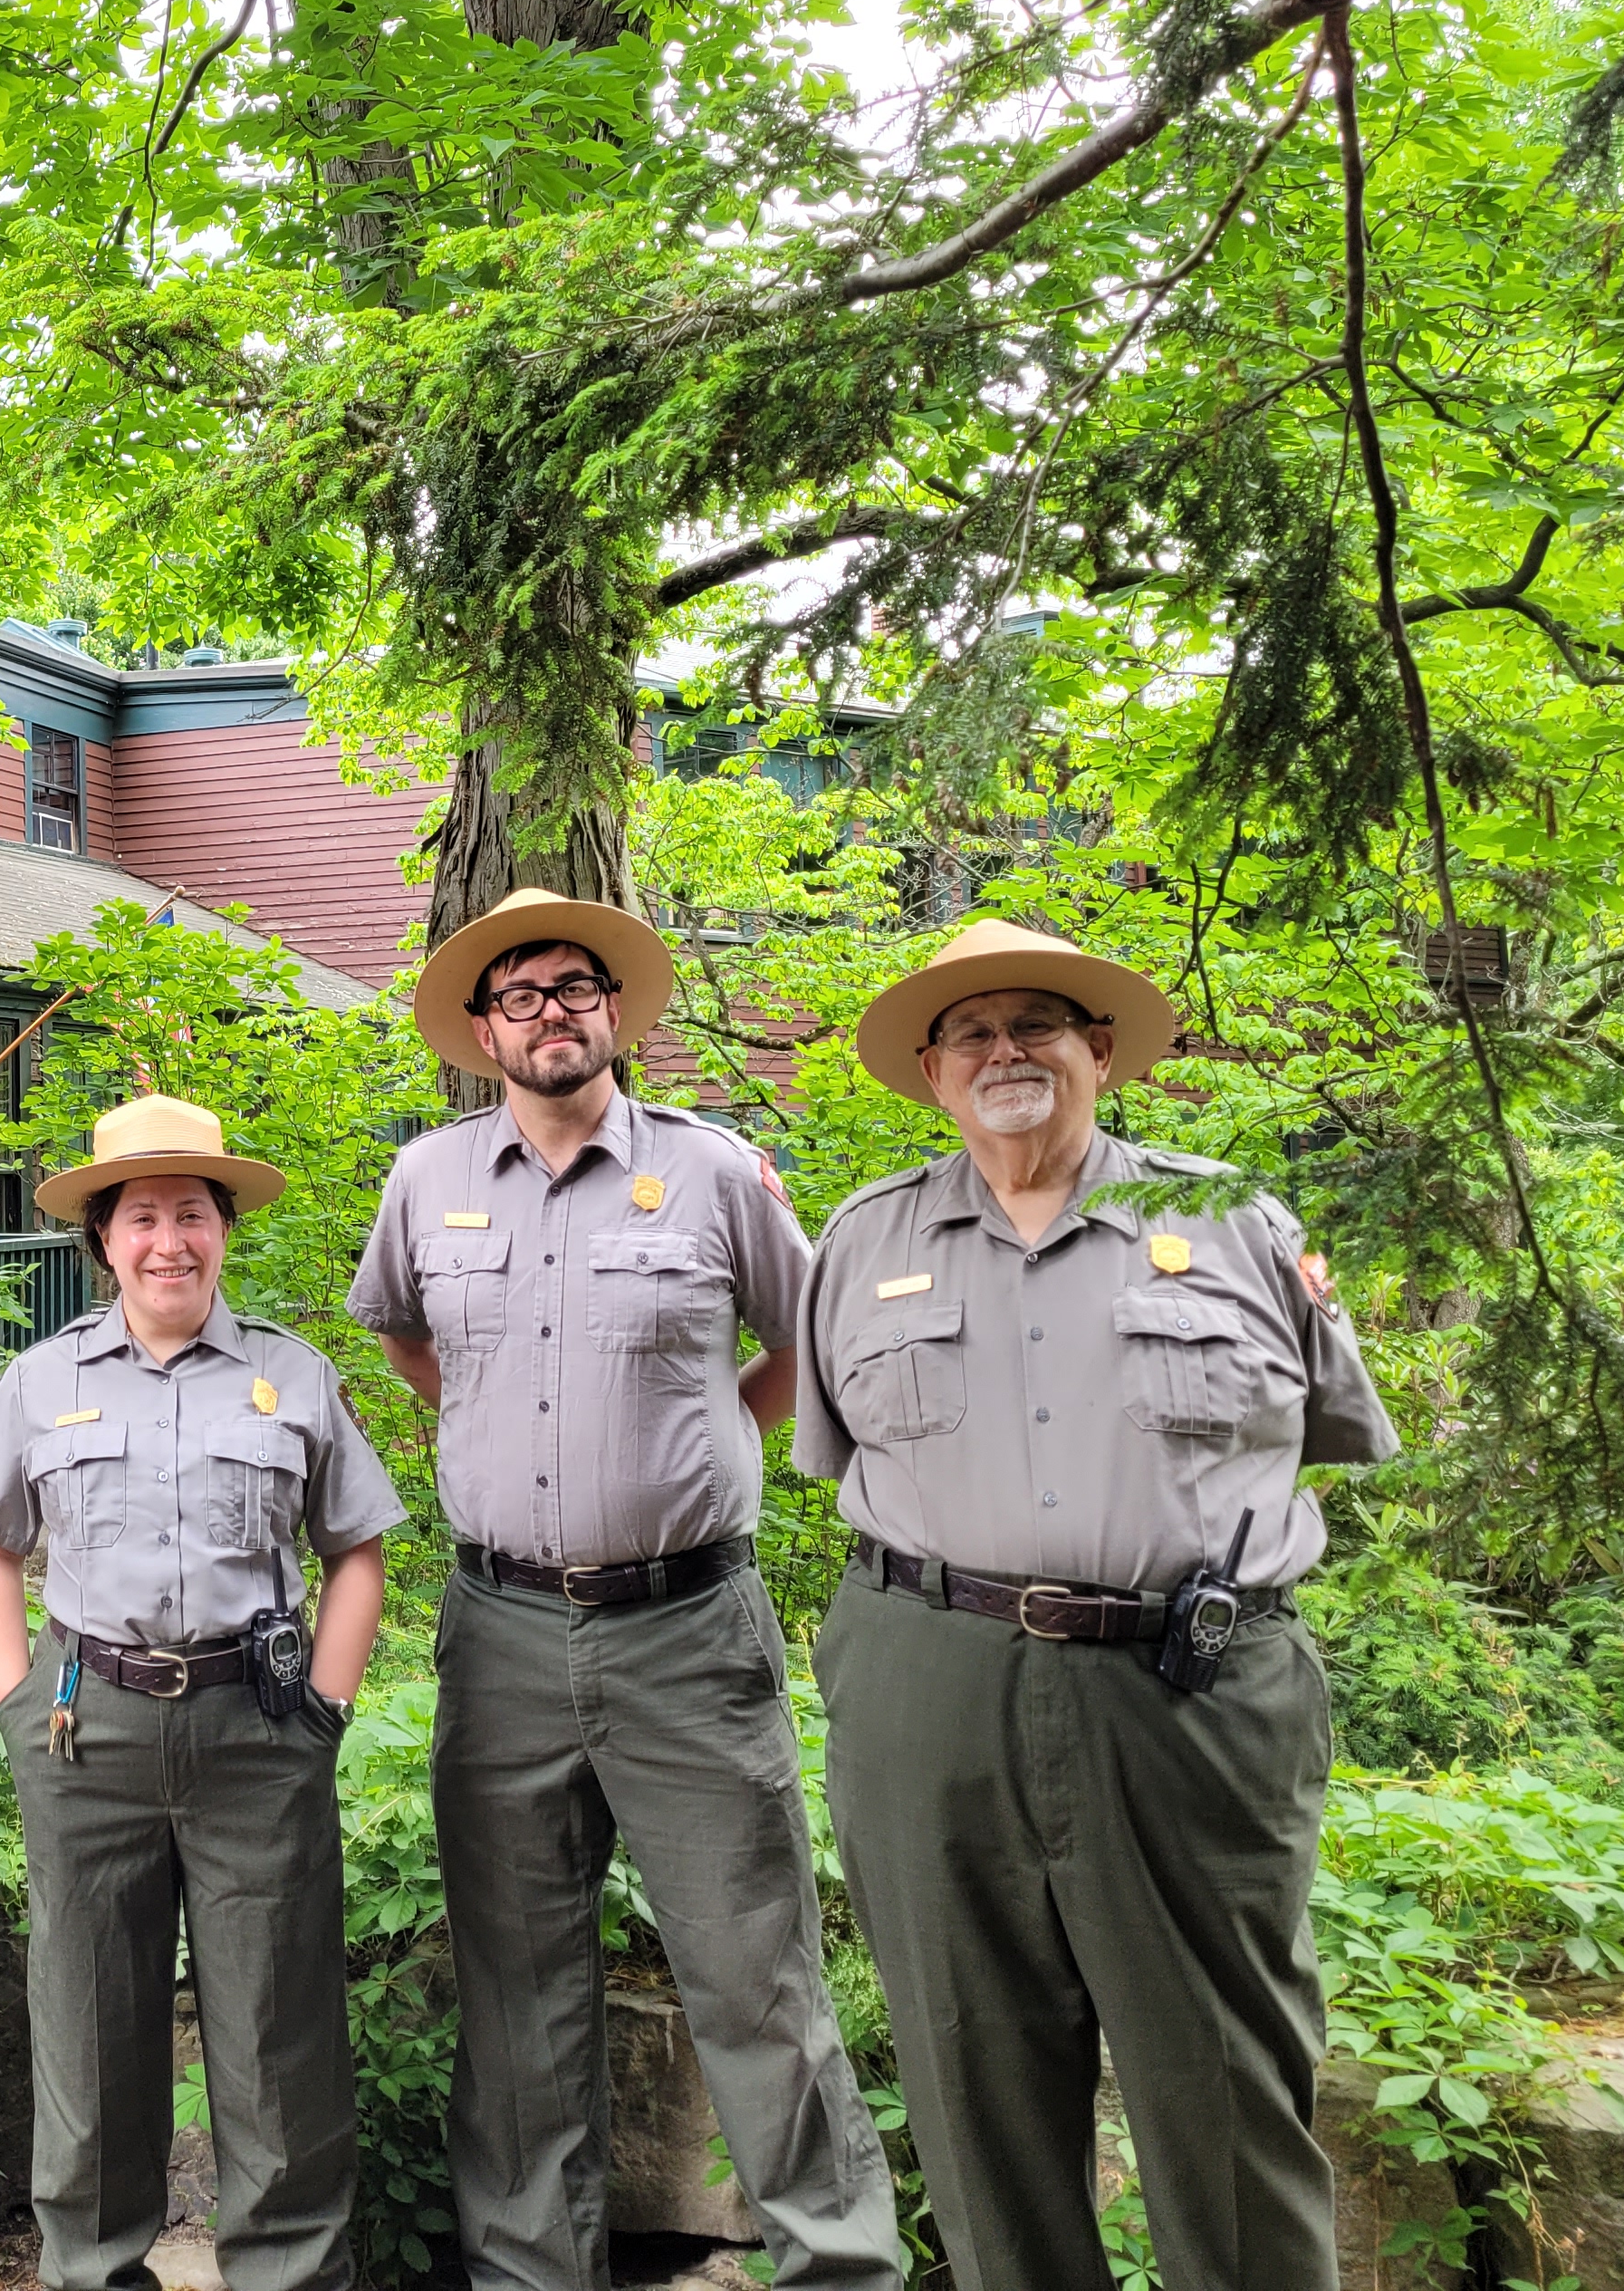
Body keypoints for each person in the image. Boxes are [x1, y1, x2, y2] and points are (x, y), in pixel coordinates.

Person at [795, 919, 1398, 2291]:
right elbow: (842, 1456)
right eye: (972, 1034)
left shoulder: (1237, 1220)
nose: (1004, 1052)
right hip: (929, 1686)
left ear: (1100, 1053)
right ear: (933, 1075)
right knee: (971, 2070)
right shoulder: (862, 1240)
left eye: (1037, 1025)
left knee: (1226, 2076)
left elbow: (1328, 1433)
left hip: (1189, 1693)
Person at [346, 890, 898, 2291]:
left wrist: (712, 1431)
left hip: (686, 1633)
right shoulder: (429, 1180)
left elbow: (817, 1343)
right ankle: (535, 2272)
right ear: (484, 1032)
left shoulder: (716, 1172)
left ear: (615, 1012)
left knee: (755, 1978)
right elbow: (409, 1338)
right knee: (517, 1992)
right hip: (504, 1633)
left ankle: (839, 2268)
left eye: (574, 988)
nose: (549, 1012)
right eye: (519, 994)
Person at [0, 1093, 403, 2291]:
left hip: (256, 1728)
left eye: (190, 1214)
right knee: (91, 2025)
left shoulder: (289, 1376)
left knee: (276, 2026)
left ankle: (290, 2272)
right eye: (141, 1216)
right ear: (104, 1240)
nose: (168, 1241)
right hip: (85, 1735)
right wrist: (13, 1710)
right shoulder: (43, 1381)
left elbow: (358, 1549)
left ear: (223, 1228)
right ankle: (95, 2268)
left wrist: (326, 1715)